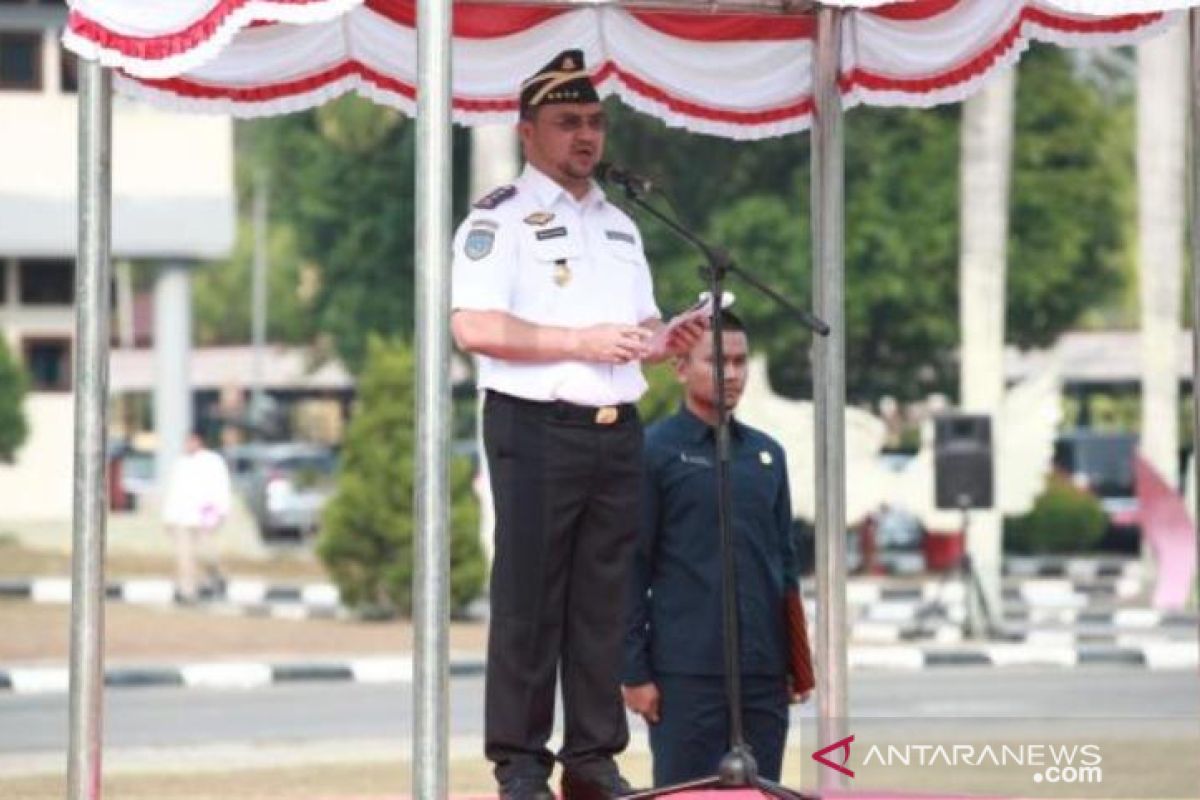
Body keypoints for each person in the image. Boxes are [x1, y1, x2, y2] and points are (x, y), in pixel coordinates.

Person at [450, 49, 706, 800]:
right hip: (535, 427)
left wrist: (668, 341)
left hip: (614, 425)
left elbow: (639, 326)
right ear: (529, 133)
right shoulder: (499, 220)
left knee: (604, 599)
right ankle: (522, 764)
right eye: (567, 123)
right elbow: (473, 326)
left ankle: (592, 759)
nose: (585, 137)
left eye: (594, 122)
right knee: (531, 601)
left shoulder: (623, 225)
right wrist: (578, 343)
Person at [622, 311, 815, 786]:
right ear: (681, 368)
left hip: (763, 674)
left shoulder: (767, 455)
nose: (732, 374)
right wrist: (633, 671)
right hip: (685, 676)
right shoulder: (654, 452)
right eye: (717, 361)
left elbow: (783, 562)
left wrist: (796, 661)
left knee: (760, 792)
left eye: (740, 361)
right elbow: (630, 566)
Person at [162, 431, 232, 603]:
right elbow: (174, 491)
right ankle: (188, 592)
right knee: (184, 558)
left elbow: (221, 487)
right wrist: (168, 517)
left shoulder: (212, 461)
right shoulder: (180, 463)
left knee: (208, 554)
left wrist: (221, 511)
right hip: (181, 518)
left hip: (205, 517)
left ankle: (218, 576)